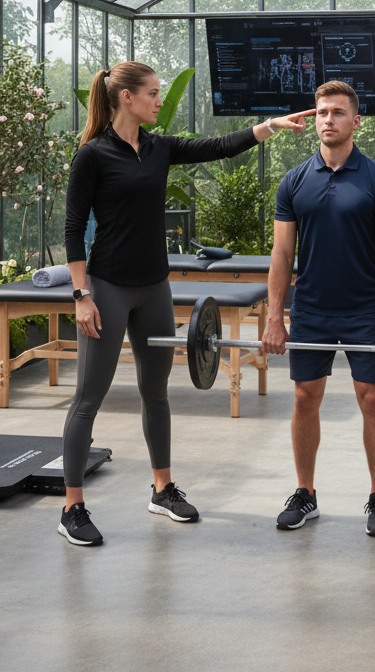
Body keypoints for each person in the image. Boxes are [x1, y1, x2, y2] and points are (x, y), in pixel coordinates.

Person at [60, 62, 313, 546]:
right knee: (88, 398)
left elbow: (216, 147)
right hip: (108, 286)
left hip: (155, 285)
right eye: (153, 93)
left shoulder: (159, 148)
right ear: (126, 98)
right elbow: (73, 229)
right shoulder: (92, 155)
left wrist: (269, 127)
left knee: (157, 391)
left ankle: (162, 488)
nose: (159, 101)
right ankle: (73, 506)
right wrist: (81, 295)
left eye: (159, 93)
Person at [261, 80, 375, 537]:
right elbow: (282, 256)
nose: (328, 120)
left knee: (371, 399)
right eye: (322, 112)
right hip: (312, 309)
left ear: (355, 121)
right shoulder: (294, 181)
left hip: (365, 310)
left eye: (338, 113)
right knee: (305, 398)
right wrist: (274, 318)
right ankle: (306, 493)